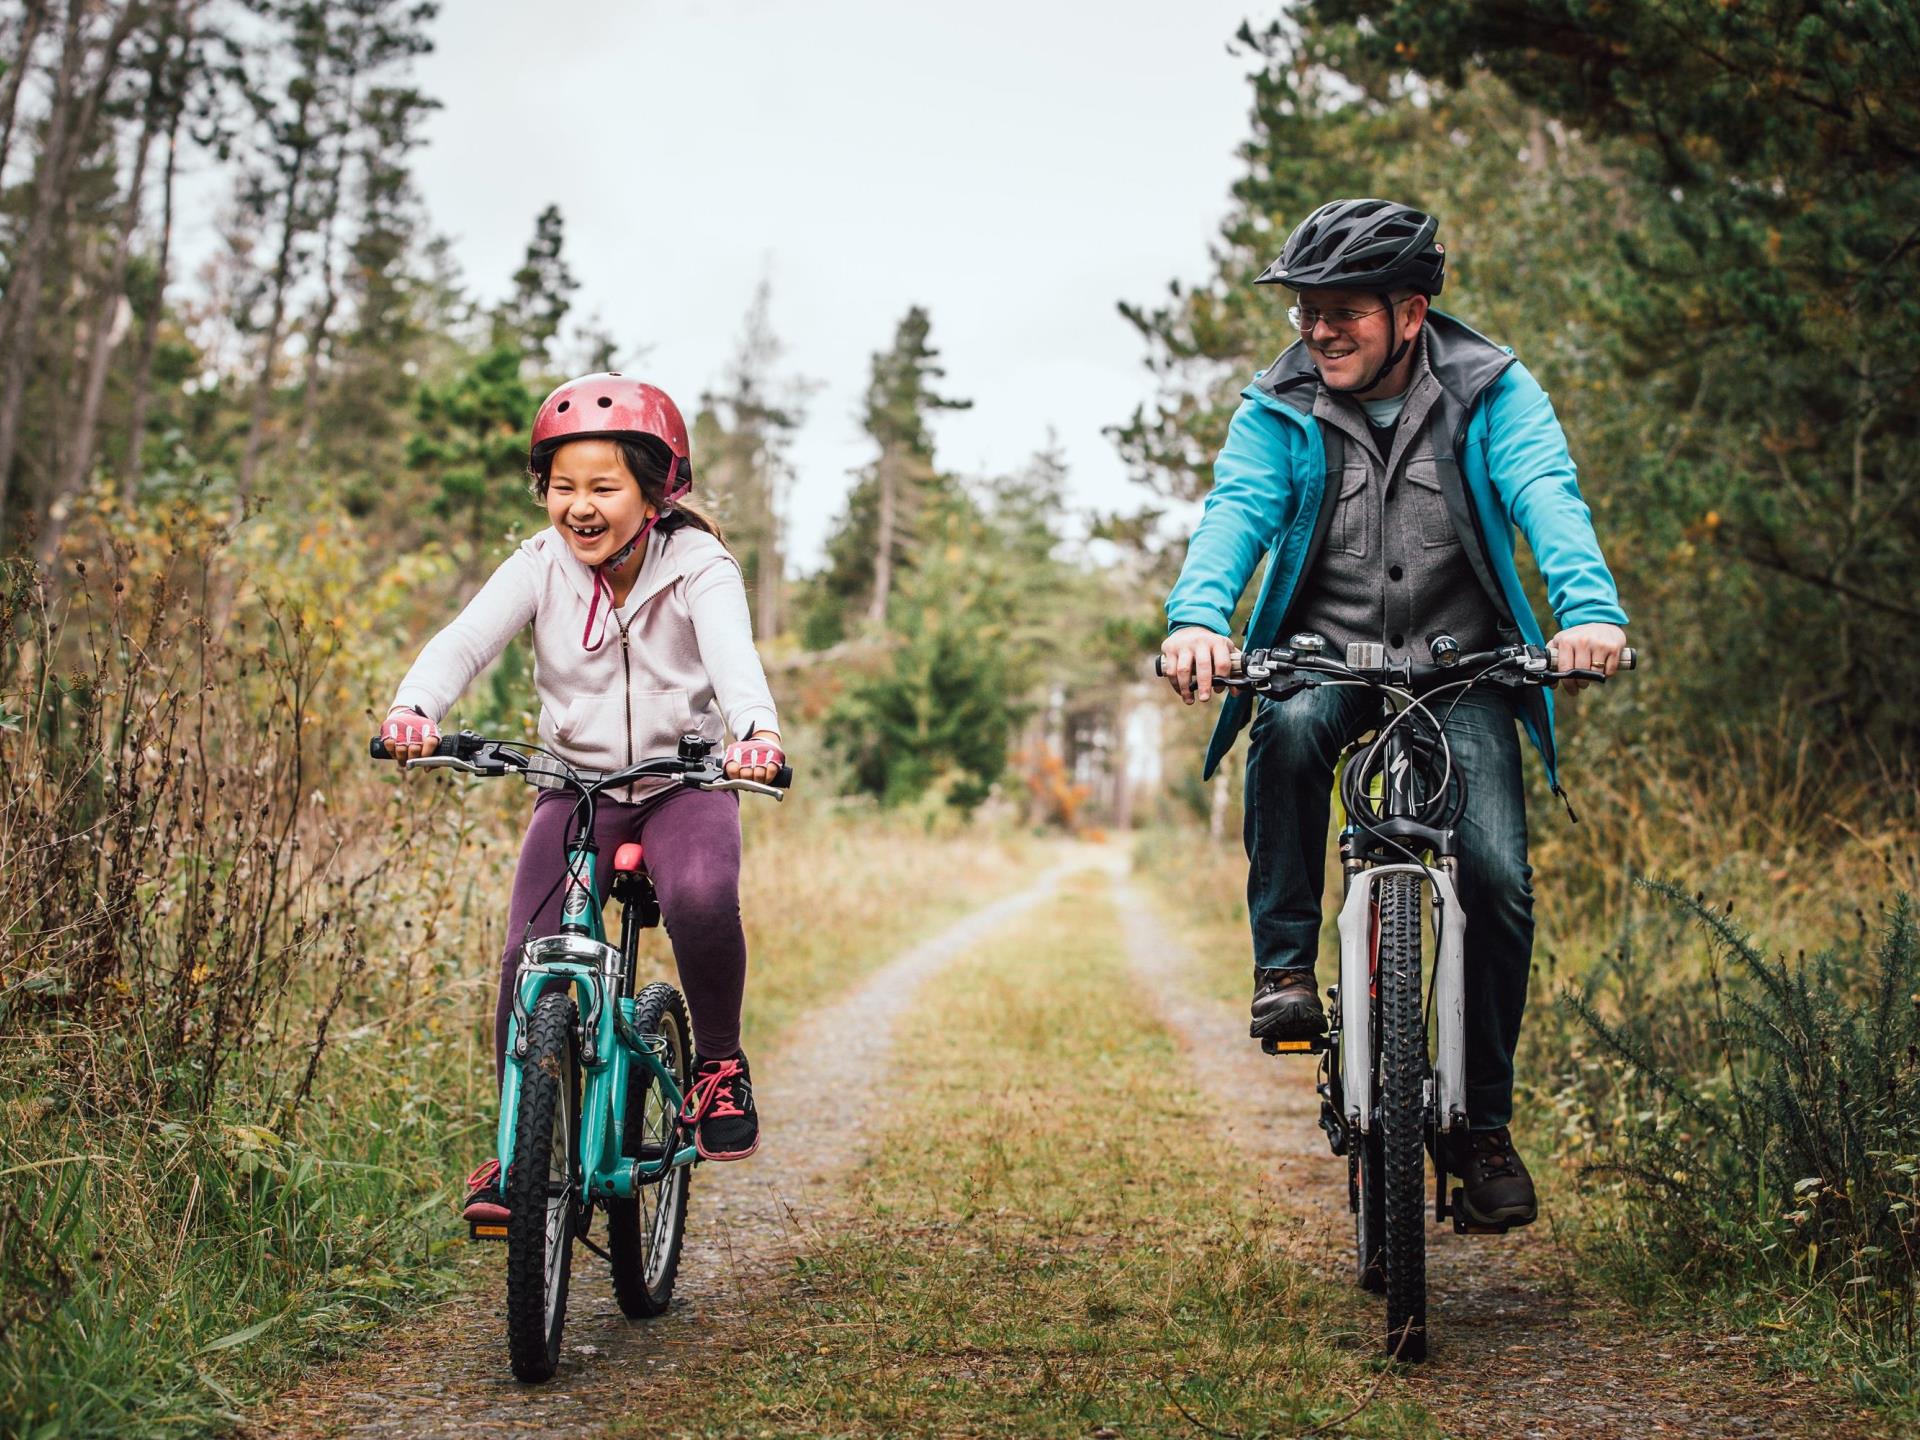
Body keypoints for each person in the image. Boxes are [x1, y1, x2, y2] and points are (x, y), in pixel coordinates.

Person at [1159, 199, 1628, 1229]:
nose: (1319, 331)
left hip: (1464, 664)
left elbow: (1548, 496)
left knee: (1499, 876)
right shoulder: (1276, 404)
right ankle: (1284, 968)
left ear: (1410, 314)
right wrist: (1199, 621)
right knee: (1283, 730)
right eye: (1305, 313)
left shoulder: (1490, 389)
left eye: (1343, 313)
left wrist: (1587, 615)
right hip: (1322, 652)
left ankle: (1484, 1125)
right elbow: (1234, 514)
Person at [379, 373, 786, 1220]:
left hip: (687, 782)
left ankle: (715, 1064)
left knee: (704, 897)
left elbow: (734, 658)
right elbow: (464, 640)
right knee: (528, 954)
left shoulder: (699, 565)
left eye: (604, 487)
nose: (580, 508)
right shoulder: (540, 564)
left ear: (654, 490)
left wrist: (756, 732)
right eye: (563, 488)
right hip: (575, 789)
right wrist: (415, 708)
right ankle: (512, 1153)